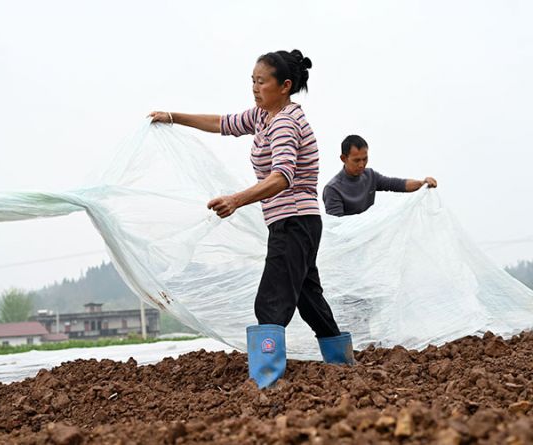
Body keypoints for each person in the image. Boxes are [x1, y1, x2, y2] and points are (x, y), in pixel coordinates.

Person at [150, 49, 354, 389]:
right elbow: (222, 123)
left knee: (271, 301)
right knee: (308, 298)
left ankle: (266, 381)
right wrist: (173, 116)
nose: (255, 88)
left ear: (285, 86)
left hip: (294, 222)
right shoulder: (264, 116)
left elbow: (282, 178)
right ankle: (343, 364)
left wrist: (236, 199)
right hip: (297, 223)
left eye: (262, 82)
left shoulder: (286, 123)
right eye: (252, 81)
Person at [323, 135, 437, 216]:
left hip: (369, 240)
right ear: (344, 159)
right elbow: (336, 228)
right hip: (348, 245)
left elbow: (397, 184)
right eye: (356, 160)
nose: (362, 165)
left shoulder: (370, 176)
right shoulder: (333, 189)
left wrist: (422, 183)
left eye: (365, 159)